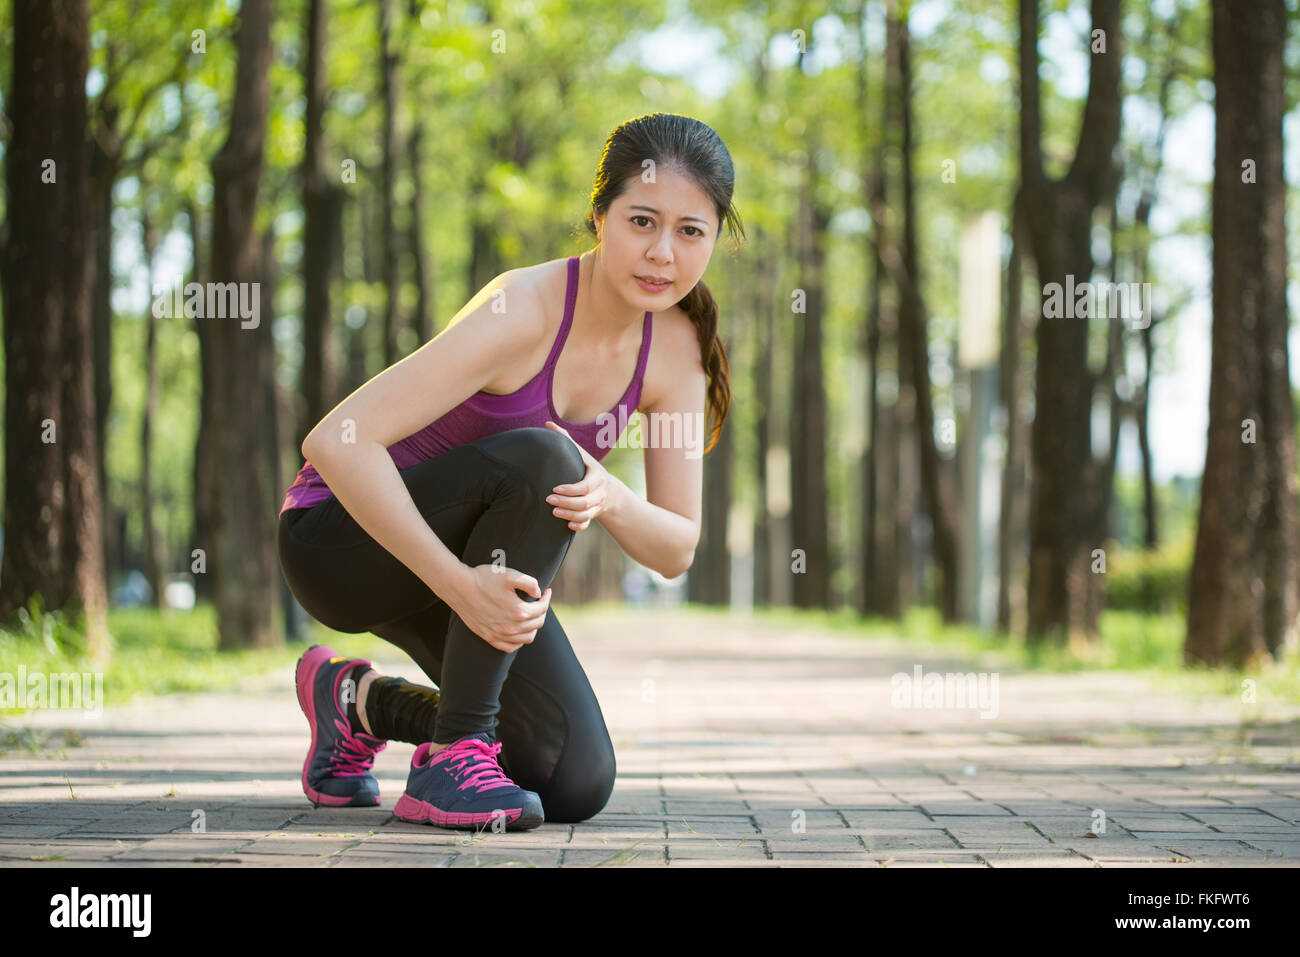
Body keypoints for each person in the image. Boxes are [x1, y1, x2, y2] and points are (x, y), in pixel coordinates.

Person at [276, 112, 742, 833]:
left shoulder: (676, 349)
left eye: (690, 231)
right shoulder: (520, 309)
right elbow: (335, 442)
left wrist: (612, 493)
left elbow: (675, 547)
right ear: (599, 217)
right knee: (548, 457)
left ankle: (355, 703)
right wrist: (462, 586)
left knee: (573, 775)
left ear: (715, 238)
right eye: (642, 221)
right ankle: (452, 755)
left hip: (462, 572)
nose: (662, 254)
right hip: (338, 541)